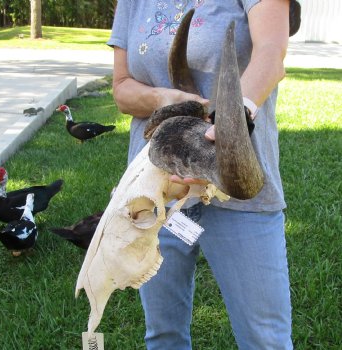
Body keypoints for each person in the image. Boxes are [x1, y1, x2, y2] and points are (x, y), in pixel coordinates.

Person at [108, 0, 295, 348]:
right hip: (156, 192)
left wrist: (235, 115)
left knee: (265, 339)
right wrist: (163, 98)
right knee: (163, 335)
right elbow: (121, 87)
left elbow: (271, 53)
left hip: (238, 186)